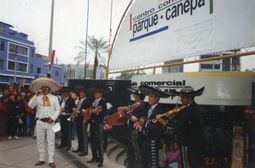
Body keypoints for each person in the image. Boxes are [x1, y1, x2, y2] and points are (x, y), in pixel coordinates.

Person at [167, 86, 205, 168]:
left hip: (189, 145)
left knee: (187, 164)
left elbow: (180, 127)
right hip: (194, 145)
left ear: (189, 99)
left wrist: (166, 123)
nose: (180, 100)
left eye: (183, 98)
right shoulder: (193, 108)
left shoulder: (189, 110)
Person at [28, 77, 61, 168]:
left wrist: (53, 118)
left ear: (49, 89)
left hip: (50, 123)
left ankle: (51, 160)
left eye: (46, 88)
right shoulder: (37, 97)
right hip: (40, 122)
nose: (44, 89)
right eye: (42, 88)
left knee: (51, 141)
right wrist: (35, 95)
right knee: (40, 141)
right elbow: (30, 106)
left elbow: (58, 109)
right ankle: (41, 159)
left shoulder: (54, 98)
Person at [139, 84, 170, 168]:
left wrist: (144, 123)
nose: (149, 98)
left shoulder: (159, 110)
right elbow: (147, 122)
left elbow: (154, 126)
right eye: (149, 96)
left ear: (157, 98)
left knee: (153, 163)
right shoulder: (149, 108)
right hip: (147, 139)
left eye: (151, 96)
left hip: (153, 141)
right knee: (146, 161)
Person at [119, 87, 146, 168]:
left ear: (139, 96)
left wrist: (127, 113)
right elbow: (128, 111)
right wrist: (123, 108)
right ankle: (130, 165)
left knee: (136, 151)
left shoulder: (143, 106)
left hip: (135, 132)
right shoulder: (134, 105)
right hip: (129, 130)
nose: (134, 96)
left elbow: (135, 119)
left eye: (135, 94)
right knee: (130, 150)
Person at [87, 86, 108, 167]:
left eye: (97, 92)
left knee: (99, 142)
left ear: (101, 94)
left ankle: (100, 160)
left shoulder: (103, 102)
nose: (95, 94)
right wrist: (90, 112)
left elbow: (103, 113)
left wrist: (96, 112)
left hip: (98, 124)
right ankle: (94, 157)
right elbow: (90, 111)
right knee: (92, 141)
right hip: (92, 123)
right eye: (95, 92)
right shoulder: (94, 101)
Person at [72, 87, 92, 156]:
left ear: (85, 94)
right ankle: (79, 148)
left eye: (82, 93)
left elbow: (87, 111)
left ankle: (84, 150)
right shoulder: (80, 100)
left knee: (83, 135)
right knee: (79, 134)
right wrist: (75, 110)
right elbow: (79, 108)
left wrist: (79, 112)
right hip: (78, 119)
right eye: (80, 93)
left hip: (84, 120)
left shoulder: (87, 101)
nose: (80, 94)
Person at [58, 87, 75, 151]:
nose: (64, 94)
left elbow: (73, 108)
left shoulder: (71, 100)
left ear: (68, 93)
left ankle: (68, 145)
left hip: (68, 116)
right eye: (63, 93)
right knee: (63, 131)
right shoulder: (63, 99)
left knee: (68, 131)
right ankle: (63, 144)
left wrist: (65, 109)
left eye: (65, 93)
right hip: (62, 116)